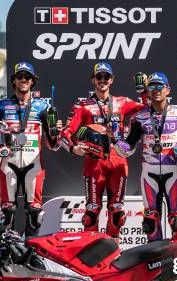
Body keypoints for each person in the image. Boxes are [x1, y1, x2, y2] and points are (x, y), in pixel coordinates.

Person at [115, 72, 177, 241]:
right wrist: (116, 141)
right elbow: (129, 147)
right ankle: (156, 262)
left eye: (159, 86)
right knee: (150, 222)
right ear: (148, 90)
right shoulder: (139, 117)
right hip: (149, 173)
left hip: (175, 172)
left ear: (167, 90)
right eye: (152, 86)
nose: (156, 90)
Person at [0, 61, 62, 237]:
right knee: (6, 214)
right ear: (13, 80)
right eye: (19, 76)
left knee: (36, 214)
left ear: (32, 81)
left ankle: (31, 255)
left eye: (27, 77)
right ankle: (5, 258)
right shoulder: (2, 106)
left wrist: (56, 132)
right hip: (8, 165)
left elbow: (54, 145)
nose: (23, 80)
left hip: (34, 165)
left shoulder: (44, 107)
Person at [61, 62, 148, 239]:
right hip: (94, 163)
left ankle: (113, 250)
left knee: (118, 213)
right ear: (93, 80)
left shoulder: (122, 102)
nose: (102, 80)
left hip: (118, 161)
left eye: (106, 77)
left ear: (112, 80)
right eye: (99, 77)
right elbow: (66, 132)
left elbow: (148, 110)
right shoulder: (83, 106)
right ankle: (91, 252)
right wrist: (73, 148)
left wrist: (143, 92)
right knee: (91, 213)